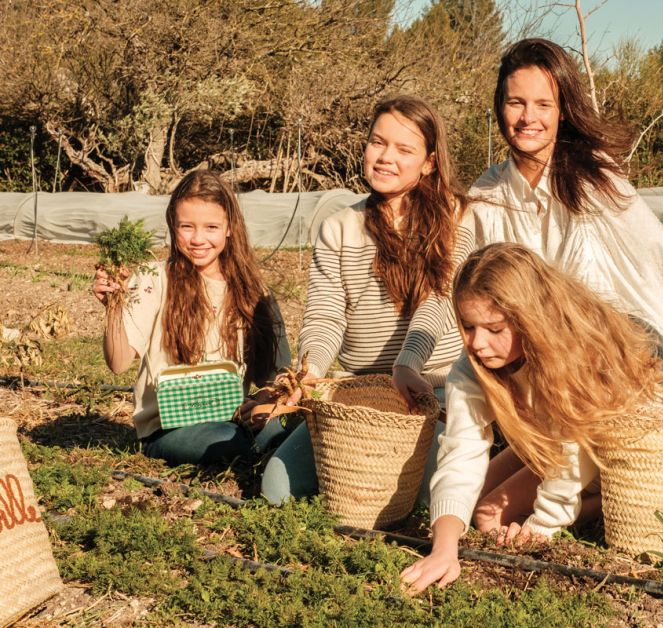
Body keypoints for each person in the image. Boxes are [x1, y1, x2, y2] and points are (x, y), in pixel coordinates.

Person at [468, 38, 663, 420]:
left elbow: (605, 287)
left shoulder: (592, 179)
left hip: (610, 347)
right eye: (516, 102)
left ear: (563, 111)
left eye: (543, 105)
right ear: (501, 106)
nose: (527, 117)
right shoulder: (487, 192)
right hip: (519, 351)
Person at [400, 242, 663, 592]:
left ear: (529, 317)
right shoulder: (472, 369)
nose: (478, 343)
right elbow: (460, 455)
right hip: (560, 443)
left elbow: (575, 451)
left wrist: (541, 526)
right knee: (464, 507)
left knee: (487, 515)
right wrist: (443, 549)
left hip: (616, 454)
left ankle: (607, 503)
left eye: (495, 329)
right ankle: (587, 503)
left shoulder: (573, 352)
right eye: (468, 327)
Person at [261, 95, 476, 504]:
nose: (384, 157)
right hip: (360, 397)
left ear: (429, 162)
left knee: (421, 495)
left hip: (432, 393)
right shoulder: (340, 227)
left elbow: (441, 300)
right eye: (377, 143)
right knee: (277, 489)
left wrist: (407, 363)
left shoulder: (456, 216)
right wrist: (310, 371)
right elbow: (325, 315)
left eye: (403, 149)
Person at [92, 169, 291, 466]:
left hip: (233, 416)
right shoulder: (154, 279)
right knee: (224, 441)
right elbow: (118, 362)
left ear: (229, 227)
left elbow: (277, 376)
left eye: (211, 227)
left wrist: (262, 405)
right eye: (187, 226)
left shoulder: (253, 291)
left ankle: (263, 449)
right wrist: (114, 306)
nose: (198, 239)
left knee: (285, 429)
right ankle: (257, 452)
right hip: (171, 428)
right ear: (173, 225)